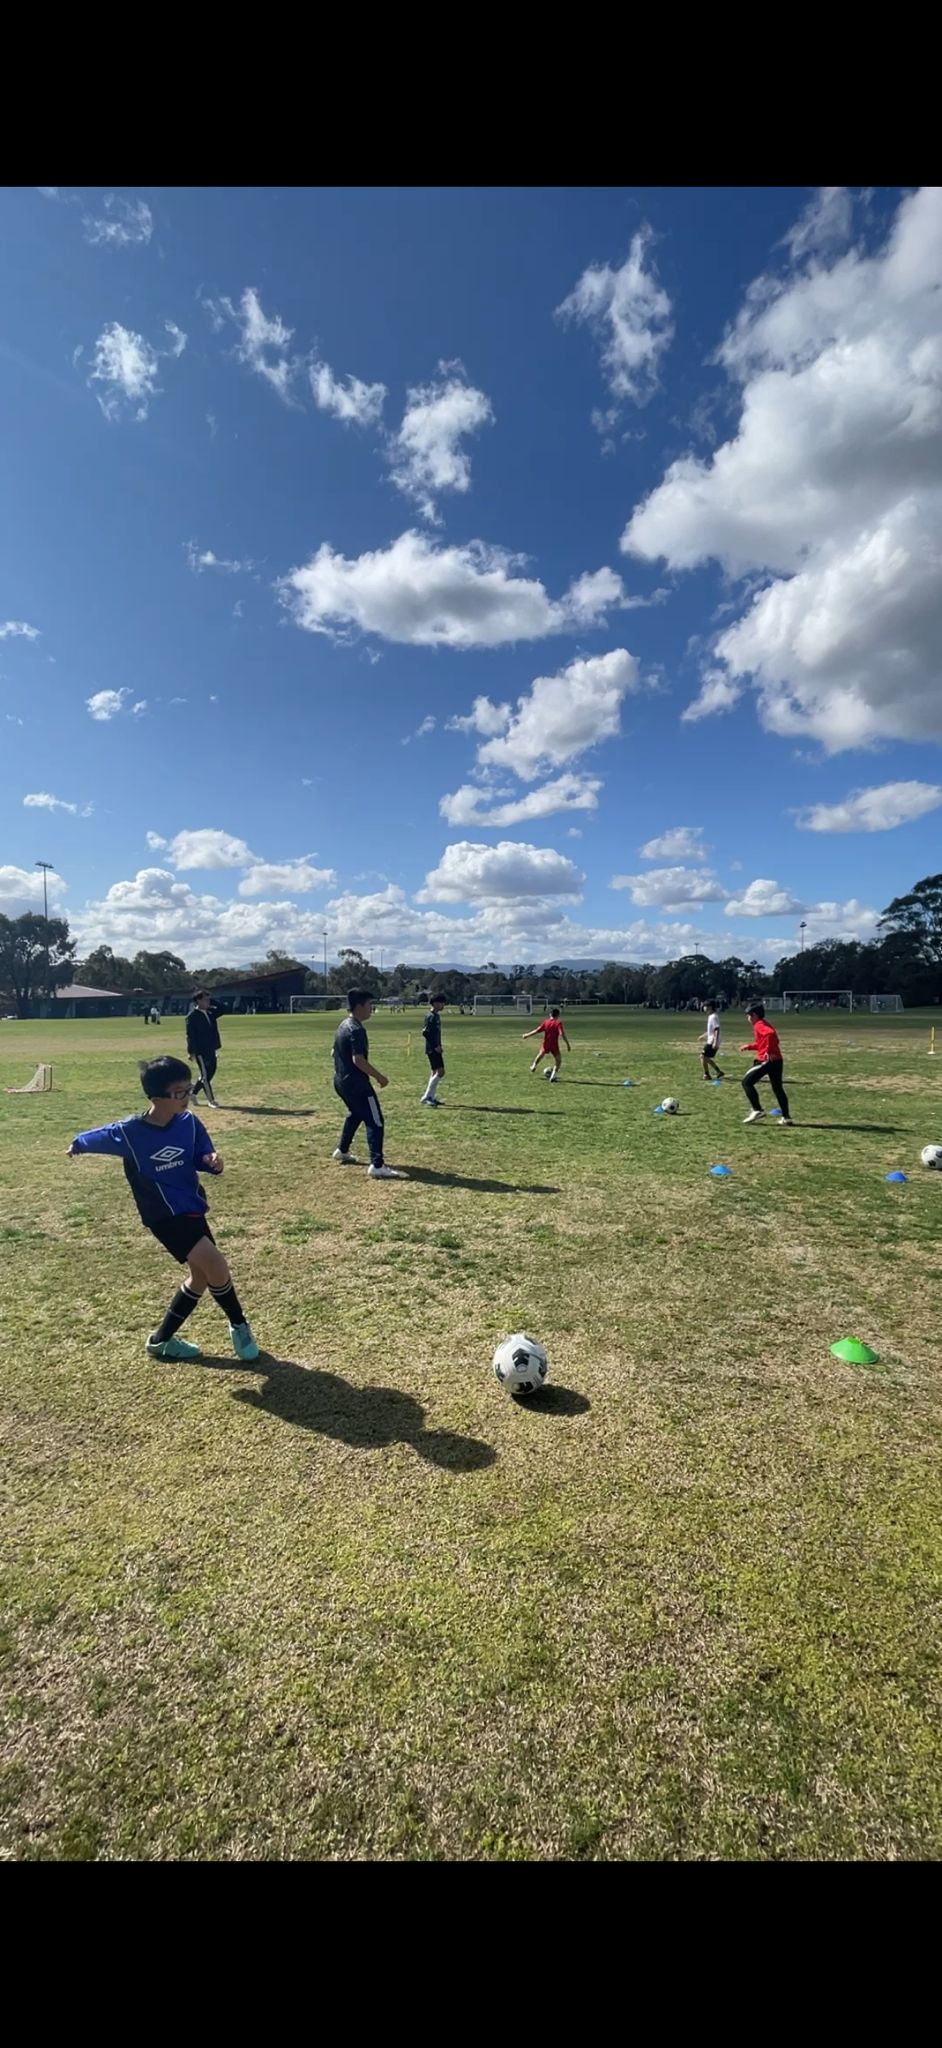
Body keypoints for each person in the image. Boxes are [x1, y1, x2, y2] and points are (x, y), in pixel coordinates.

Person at [66, 1054, 259, 1362]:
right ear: (157, 1097)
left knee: (200, 1277)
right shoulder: (131, 1132)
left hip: (191, 1207)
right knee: (217, 1267)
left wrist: (211, 1162)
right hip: (164, 1215)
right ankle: (239, 1324)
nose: (186, 1097)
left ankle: (161, 1341)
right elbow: (98, 1136)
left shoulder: (189, 1123)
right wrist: (78, 1144)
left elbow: (202, 1153)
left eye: (188, 1088)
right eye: (179, 1092)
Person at [332, 989, 405, 1178]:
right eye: (369, 1005)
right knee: (376, 1121)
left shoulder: (342, 1025)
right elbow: (358, 1060)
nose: (371, 1009)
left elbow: (334, 1053)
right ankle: (377, 1165)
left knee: (355, 1114)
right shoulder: (356, 1029)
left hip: (340, 1081)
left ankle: (342, 1150)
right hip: (357, 1084)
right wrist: (379, 1077)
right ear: (359, 1006)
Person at [740, 1002, 793, 1124]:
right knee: (778, 1088)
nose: (747, 1018)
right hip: (777, 1060)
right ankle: (786, 1117)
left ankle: (757, 1110)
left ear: (754, 1015)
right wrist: (749, 1046)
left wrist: (768, 1052)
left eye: (748, 1015)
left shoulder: (759, 1025)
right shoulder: (764, 1023)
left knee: (746, 1083)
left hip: (768, 1061)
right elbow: (767, 1041)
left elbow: (771, 1034)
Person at [187, 990, 221, 1107]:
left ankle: (193, 1093)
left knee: (210, 1073)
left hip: (212, 1048)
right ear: (198, 1001)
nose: (208, 1002)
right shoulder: (192, 1016)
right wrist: (191, 1052)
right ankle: (211, 1100)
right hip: (201, 1050)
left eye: (208, 1000)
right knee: (205, 1076)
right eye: (205, 1000)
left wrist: (212, 1001)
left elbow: (224, 1009)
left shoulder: (210, 1013)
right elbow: (190, 1035)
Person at [523, 1005, 570, 1079]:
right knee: (558, 1061)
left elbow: (536, 1030)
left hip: (546, 1043)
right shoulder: (558, 1023)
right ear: (558, 1015)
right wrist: (567, 1044)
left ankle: (534, 1066)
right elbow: (562, 1034)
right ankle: (553, 1076)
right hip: (554, 1045)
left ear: (550, 1014)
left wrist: (527, 1035)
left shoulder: (546, 1022)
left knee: (541, 1054)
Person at [420, 993, 447, 1107]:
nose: (443, 1005)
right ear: (435, 1003)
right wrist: (435, 1046)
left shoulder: (436, 1016)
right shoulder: (431, 1016)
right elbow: (425, 1032)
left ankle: (430, 1096)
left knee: (435, 1072)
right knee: (441, 1072)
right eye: (441, 1003)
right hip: (432, 1049)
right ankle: (426, 1097)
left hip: (436, 1048)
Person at [698, 1000, 724, 1080]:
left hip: (712, 1040)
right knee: (706, 1058)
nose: (704, 1008)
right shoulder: (711, 1016)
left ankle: (707, 1075)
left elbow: (716, 1029)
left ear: (710, 1007)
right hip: (711, 1039)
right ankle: (718, 1072)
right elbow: (711, 1030)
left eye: (705, 1006)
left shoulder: (714, 1017)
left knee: (703, 1057)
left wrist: (715, 1042)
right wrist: (704, 1035)